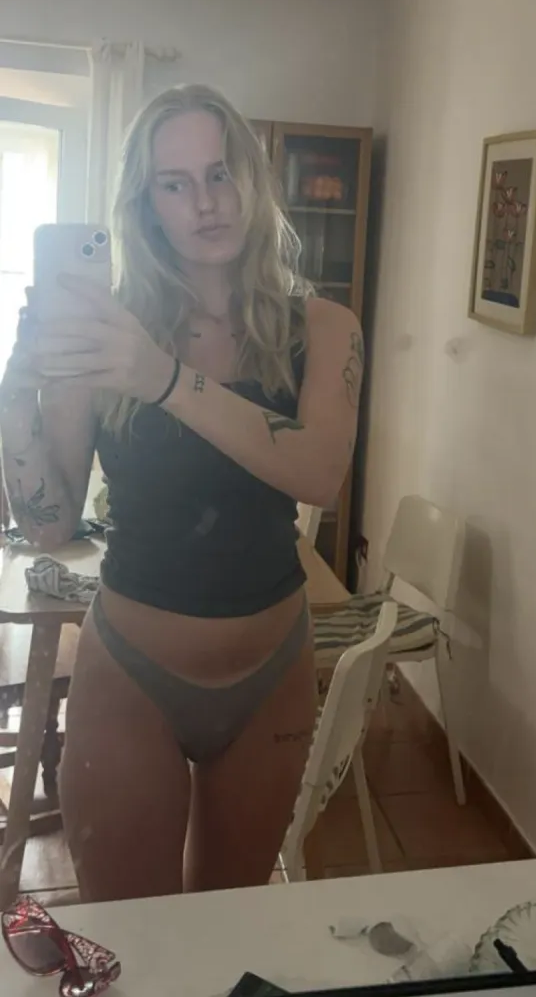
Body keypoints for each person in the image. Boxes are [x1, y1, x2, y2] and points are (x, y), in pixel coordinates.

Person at [0, 84, 363, 902]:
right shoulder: (110, 335)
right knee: (133, 936)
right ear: (146, 204)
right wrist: (14, 397)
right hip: (132, 671)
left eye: (221, 172)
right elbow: (50, 526)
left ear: (253, 180)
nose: (205, 202)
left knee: (224, 929)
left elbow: (319, 474)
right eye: (175, 182)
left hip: (273, 667)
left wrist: (161, 377)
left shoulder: (323, 330)